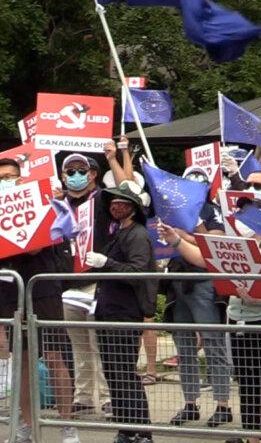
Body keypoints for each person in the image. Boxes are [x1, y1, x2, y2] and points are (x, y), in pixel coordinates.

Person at [161, 207, 261, 441]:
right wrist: (176, 240)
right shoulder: (233, 246)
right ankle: (252, 435)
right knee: (248, 385)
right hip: (240, 323)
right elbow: (203, 258)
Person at [0, 158, 80, 443]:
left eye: (11, 176)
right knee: (21, 360)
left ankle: (67, 425)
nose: (7, 181)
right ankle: (26, 425)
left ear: (22, 178)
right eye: (2, 178)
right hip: (10, 292)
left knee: (55, 356)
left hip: (43, 289)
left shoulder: (43, 202)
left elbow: (49, 239)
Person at [85, 186, 157, 443]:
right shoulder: (118, 232)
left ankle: (141, 431)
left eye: (122, 203)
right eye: (113, 203)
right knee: (113, 373)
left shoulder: (137, 234)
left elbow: (138, 272)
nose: (116, 206)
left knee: (124, 372)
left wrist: (107, 263)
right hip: (107, 310)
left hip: (124, 314)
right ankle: (126, 429)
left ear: (134, 208)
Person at [165, 168, 233, 429]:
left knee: (213, 343)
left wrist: (184, 235)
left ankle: (223, 404)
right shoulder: (171, 207)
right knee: (184, 346)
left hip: (203, 281)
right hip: (178, 280)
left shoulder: (210, 209)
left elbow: (215, 240)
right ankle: (190, 403)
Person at [59, 152, 112, 418]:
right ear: (62, 176)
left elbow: (132, 193)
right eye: (70, 171)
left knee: (99, 344)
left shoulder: (104, 199)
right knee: (78, 346)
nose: (75, 175)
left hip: (96, 282)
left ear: (92, 174)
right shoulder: (58, 204)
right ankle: (83, 397)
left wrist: (117, 157)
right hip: (68, 284)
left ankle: (107, 398)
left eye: (81, 170)